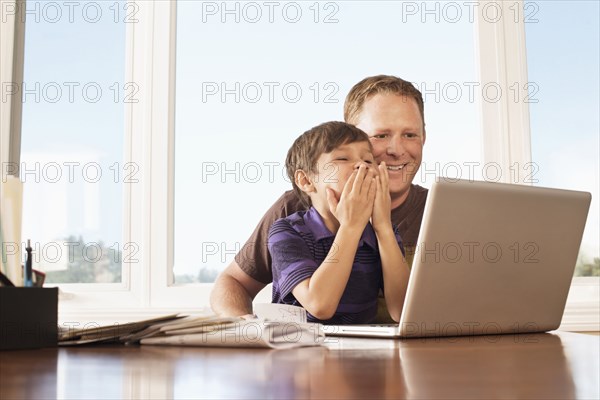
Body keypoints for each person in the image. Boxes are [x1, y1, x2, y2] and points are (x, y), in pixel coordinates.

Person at [210, 75, 428, 319]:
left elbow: (405, 310)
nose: (396, 150)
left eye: (410, 134)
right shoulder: (293, 212)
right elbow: (233, 282)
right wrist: (245, 327)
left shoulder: (436, 212)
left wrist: (382, 228)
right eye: (380, 135)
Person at [269, 122, 409, 323]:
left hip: (359, 349)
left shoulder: (382, 234)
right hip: (298, 348)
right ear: (306, 181)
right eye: (342, 158)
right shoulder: (287, 232)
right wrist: (351, 227)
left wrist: (383, 227)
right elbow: (320, 305)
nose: (362, 165)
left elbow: (403, 312)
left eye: (369, 160)